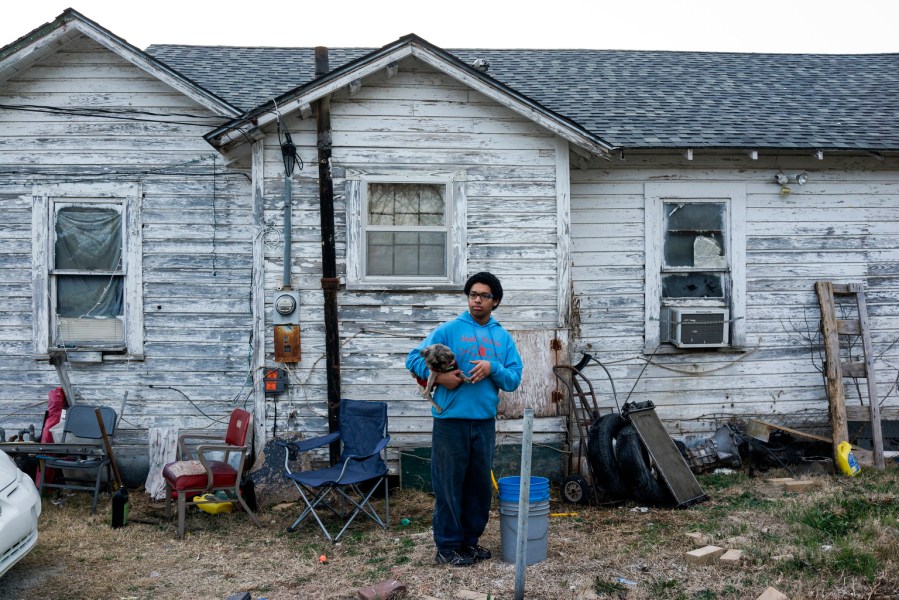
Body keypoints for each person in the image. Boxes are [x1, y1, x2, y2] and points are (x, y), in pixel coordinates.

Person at [406, 272, 523, 567]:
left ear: (495, 301)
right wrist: (441, 377)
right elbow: (413, 359)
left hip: (483, 423)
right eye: (472, 294)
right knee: (448, 486)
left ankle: (469, 543)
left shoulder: (502, 337)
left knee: (478, 487)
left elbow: (513, 379)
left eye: (484, 295)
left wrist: (492, 367)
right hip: (450, 423)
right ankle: (447, 547)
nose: (477, 300)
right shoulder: (450, 330)